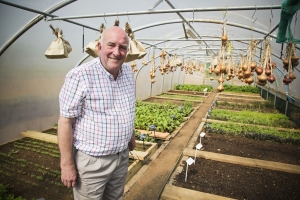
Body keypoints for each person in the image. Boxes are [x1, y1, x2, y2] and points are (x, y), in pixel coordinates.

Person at [58, 26, 136, 200]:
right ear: (100, 48)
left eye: (122, 47)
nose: (116, 52)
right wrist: (67, 164)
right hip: (93, 162)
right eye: (111, 45)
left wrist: (130, 135)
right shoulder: (80, 76)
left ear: (127, 50)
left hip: (121, 157)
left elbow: (128, 108)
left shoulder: (129, 73)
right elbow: (65, 122)